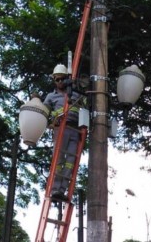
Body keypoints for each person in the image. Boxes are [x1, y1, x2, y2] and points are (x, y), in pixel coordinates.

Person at [43, 64, 85, 201]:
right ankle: (55, 189)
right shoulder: (51, 96)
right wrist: (50, 122)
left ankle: (62, 190)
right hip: (60, 128)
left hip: (75, 130)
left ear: (66, 78)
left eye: (62, 79)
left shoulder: (77, 94)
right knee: (59, 160)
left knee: (70, 162)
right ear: (54, 80)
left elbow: (86, 105)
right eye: (57, 80)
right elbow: (43, 113)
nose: (60, 82)